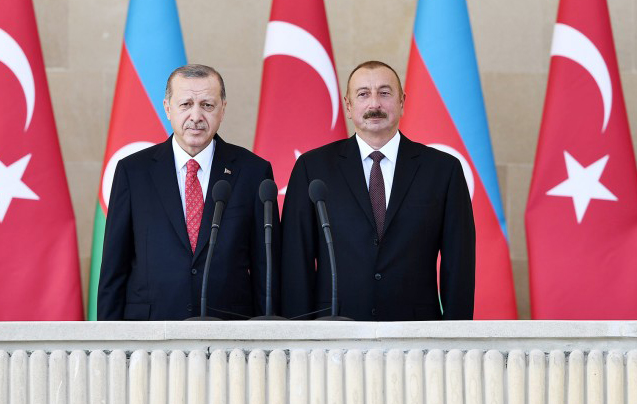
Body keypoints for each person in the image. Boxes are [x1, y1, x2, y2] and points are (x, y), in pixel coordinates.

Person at [281, 61, 475, 321]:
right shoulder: (312, 168)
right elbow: (296, 261)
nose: (374, 104)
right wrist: (298, 335)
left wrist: (455, 336)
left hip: (416, 330)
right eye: (363, 94)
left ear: (402, 102)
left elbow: (459, 263)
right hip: (333, 330)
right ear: (348, 105)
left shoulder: (443, 170)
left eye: (384, 93)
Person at [98, 64, 280, 320]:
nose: (196, 116)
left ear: (222, 109)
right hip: (150, 329)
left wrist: (267, 336)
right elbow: (113, 268)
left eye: (207, 105)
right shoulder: (133, 172)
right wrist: (110, 339)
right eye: (185, 104)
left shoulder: (253, 172)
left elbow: (266, 268)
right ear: (167, 108)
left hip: (230, 330)